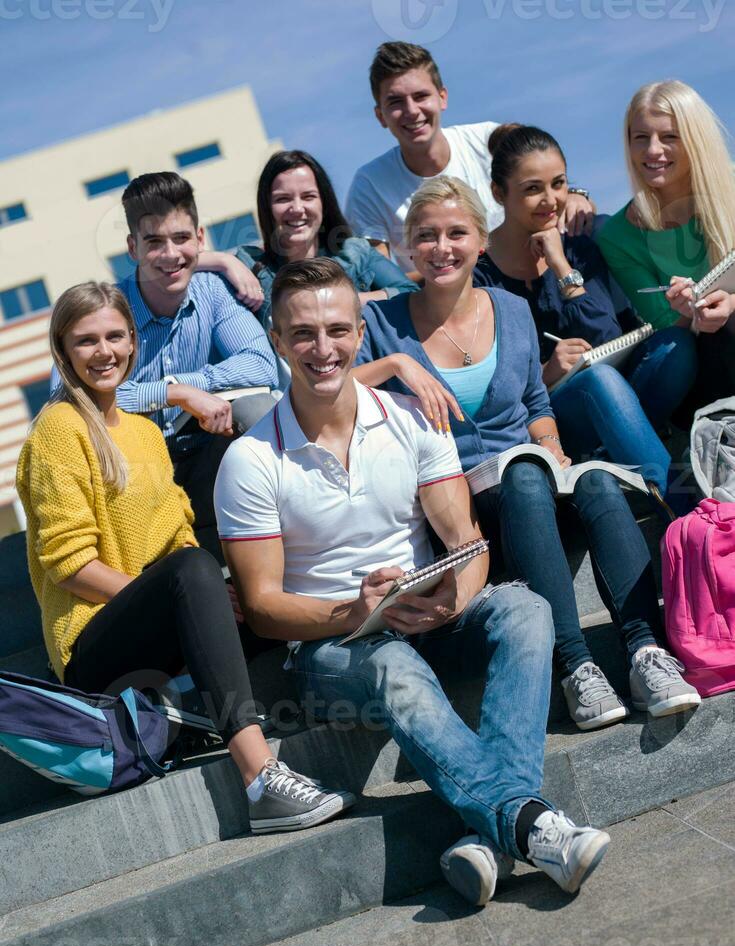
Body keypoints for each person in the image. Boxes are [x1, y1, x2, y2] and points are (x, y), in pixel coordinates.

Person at [214, 255, 611, 907]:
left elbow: (466, 544)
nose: (324, 348)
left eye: (338, 330)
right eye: (304, 334)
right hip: (332, 654)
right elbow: (260, 609)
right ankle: (531, 824)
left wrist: (455, 592)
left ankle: (489, 833)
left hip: (428, 615)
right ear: (277, 342)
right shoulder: (250, 461)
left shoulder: (409, 419)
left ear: (359, 333)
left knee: (523, 608)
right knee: (392, 663)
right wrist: (351, 611)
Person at [353, 177, 701, 731]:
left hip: (532, 479)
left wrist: (552, 445)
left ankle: (645, 653)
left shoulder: (510, 308)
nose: (442, 247)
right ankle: (576, 665)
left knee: (595, 482)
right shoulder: (382, 323)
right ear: (407, 249)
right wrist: (398, 366)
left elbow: (536, 400)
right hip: (459, 494)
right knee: (523, 480)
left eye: (456, 233)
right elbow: (334, 395)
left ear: (480, 241)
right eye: (426, 236)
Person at [17, 282, 352, 833]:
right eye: (86, 341)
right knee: (196, 574)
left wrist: (217, 601)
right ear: (63, 352)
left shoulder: (147, 434)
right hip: (94, 649)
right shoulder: (57, 431)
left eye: (116, 337)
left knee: (264, 599)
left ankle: (350, 689)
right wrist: (177, 597)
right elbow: (69, 563)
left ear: (133, 343)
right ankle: (261, 779)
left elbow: (178, 538)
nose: (104, 352)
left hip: (158, 624)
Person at [473, 124, 687, 503]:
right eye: (532, 189)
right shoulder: (479, 277)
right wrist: (545, 373)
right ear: (498, 193)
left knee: (677, 347)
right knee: (599, 382)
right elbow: (490, 388)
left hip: (617, 391)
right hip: (548, 419)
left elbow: (606, 337)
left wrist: (561, 267)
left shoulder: (578, 246)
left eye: (559, 183)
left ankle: (622, 448)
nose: (551, 200)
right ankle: (675, 505)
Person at [105, 172, 279, 557]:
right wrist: (176, 393)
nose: (171, 255)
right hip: (134, 475)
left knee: (261, 408)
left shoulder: (213, 291)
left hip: (205, 453)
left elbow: (262, 365)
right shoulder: (105, 312)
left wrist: (195, 387)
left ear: (200, 239)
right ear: (132, 247)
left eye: (181, 239)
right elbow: (66, 397)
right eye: (153, 242)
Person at [344, 41, 595, 275]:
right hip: (447, 298)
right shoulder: (369, 185)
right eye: (396, 102)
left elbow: (550, 185)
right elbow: (379, 276)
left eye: (421, 96)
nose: (411, 111)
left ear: (442, 97)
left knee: (597, 227)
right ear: (380, 115)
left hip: (531, 270)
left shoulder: (489, 141)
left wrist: (577, 196)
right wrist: (456, 270)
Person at [596, 80, 735, 408]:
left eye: (669, 137)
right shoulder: (617, 235)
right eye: (640, 138)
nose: (652, 150)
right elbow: (665, 326)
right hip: (699, 369)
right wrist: (686, 311)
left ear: (695, 140)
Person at [200, 149, 418, 337]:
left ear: (324, 201)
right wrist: (224, 260)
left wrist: (349, 301)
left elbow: (410, 292)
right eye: (283, 199)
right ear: (267, 207)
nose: (297, 208)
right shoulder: (250, 264)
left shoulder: (354, 251)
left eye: (308, 196)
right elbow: (180, 262)